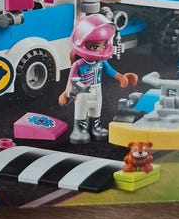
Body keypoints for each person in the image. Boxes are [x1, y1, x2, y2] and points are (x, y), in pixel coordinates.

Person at [58, 13, 138, 144]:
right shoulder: (79, 64)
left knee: (96, 109)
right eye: (95, 46)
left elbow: (111, 71)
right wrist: (68, 92)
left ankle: (95, 126)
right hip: (83, 91)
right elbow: (71, 80)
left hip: (97, 88)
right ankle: (79, 129)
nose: (101, 49)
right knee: (81, 110)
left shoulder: (101, 62)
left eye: (104, 45)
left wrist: (121, 78)